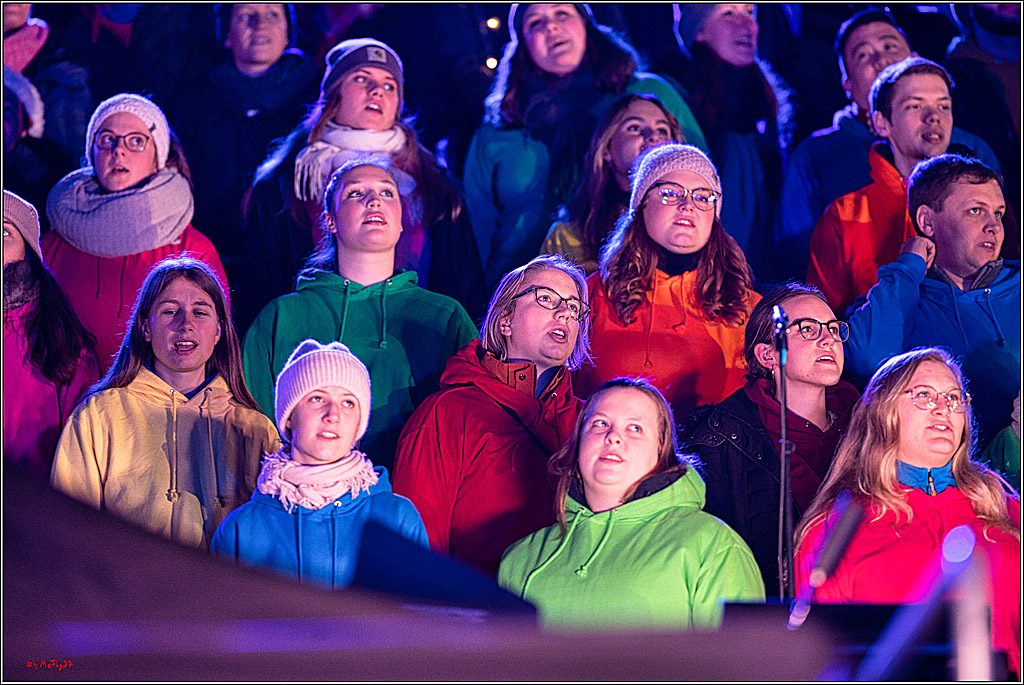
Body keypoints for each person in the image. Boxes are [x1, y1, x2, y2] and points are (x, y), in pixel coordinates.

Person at [794, 347, 1020, 678]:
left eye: (954, 398)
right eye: (924, 395)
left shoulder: (1004, 508)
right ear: (884, 412)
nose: (944, 408)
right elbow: (817, 658)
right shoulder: (839, 526)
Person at [243, 157, 478, 473]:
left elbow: (470, 426)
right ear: (330, 221)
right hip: (304, 502)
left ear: (400, 221)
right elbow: (254, 430)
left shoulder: (444, 316)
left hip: (412, 505)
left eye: (387, 193)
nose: (374, 201)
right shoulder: (281, 317)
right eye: (356, 193)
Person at [463, 3, 706, 294]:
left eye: (561, 14)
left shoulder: (647, 98)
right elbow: (477, 229)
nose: (551, 27)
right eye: (535, 23)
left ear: (586, 24)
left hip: (633, 279)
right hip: (519, 288)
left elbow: (700, 179)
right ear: (522, 45)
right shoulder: (500, 128)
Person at [241, 36, 482, 321]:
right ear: (333, 94)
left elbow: (465, 287)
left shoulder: (437, 188)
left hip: (417, 336)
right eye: (361, 79)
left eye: (389, 86)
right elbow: (261, 290)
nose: (377, 91)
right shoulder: (283, 188)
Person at [498, 376, 764, 630]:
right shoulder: (522, 557)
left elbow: (749, 669)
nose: (613, 437)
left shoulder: (714, 546)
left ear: (662, 452)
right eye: (600, 424)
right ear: (578, 442)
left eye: (635, 428)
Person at [51, 256, 280, 549]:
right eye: (170, 311)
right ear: (145, 328)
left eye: (200, 312)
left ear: (219, 332)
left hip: (225, 593)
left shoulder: (255, 429)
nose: (185, 325)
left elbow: (276, 540)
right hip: (128, 591)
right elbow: (69, 530)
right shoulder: (99, 416)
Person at [392, 254, 590, 577]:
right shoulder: (446, 415)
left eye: (574, 307)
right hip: (476, 617)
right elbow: (417, 552)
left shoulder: (591, 422)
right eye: (546, 298)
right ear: (505, 321)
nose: (565, 312)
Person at [775, 8, 1001, 281]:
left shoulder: (969, 147)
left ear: (914, 57)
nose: (881, 59)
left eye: (890, 46)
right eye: (863, 55)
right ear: (847, 84)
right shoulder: (816, 155)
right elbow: (798, 257)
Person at [683, 283, 859, 595]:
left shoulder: (868, 424)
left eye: (833, 328)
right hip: (765, 612)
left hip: (857, 607)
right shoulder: (719, 437)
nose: (828, 338)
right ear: (767, 354)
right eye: (808, 329)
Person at [212, 339, 428, 590]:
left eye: (348, 402)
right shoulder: (242, 528)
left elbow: (419, 620)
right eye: (317, 398)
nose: (333, 415)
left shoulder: (398, 518)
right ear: (289, 416)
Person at [846, 153, 1019, 453]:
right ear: (927, 221)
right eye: (976, 211)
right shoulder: (905, 297)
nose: (994, 226)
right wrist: (907, 268)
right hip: (942, 482)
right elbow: (867, 359)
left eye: (999, 213)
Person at [41, 92, 229, 370]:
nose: (119, 150)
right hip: (65, 399)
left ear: (158, 157)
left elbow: (214, 340)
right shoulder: (53, 244)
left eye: (136, 142)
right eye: (107, 139)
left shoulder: (191, 250)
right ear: (91, 152)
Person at [575, 143, 760, 422]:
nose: (688, 205)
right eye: (671, 193)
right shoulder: (591, 296)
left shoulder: (749, 309)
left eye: (703, 197)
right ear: (641, 205)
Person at [806, 56, 989, 317]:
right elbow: (824, 318)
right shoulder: (845, 215)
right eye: (915, 106)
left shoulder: (984, 200)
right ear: (882, 123)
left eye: (944, 106)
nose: (933, 117)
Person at [176, 3, 319, 332]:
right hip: (212, 257)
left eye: (272, 14)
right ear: (226, 34)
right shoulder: (195, 101)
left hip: (291, 257)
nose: (261, 25)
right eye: (246, 16)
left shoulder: (314, 103)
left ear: (289, 31)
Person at [655, 3, 793, 280]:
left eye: (750, 13)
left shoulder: (760, 96)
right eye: (728, 13)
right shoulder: (677, 98)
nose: (746, 25)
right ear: (700, 31)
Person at [3, 189, 100, 479]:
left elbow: (84, 449)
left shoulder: (62, 340)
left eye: (2, 232)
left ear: (27, 251)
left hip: (31, 508)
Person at [540, 92, 683, 275]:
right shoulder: (567, 237)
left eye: (662, 130)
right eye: (634, 128)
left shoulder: (692, 221)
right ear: (607, 148)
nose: (652, 136)